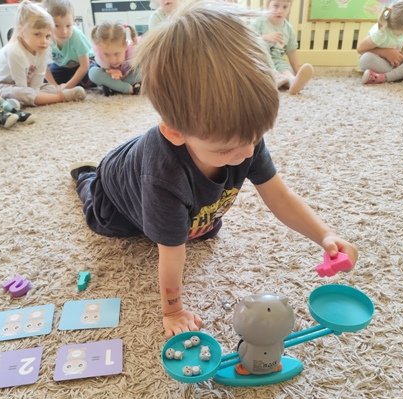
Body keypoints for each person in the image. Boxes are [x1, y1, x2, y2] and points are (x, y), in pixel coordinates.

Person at [69, 1, 359, 338]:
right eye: (226, 149)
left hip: (173, 189)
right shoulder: (163, 176)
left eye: (254, 139)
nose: (248, 153)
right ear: (175, 132)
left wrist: (324, 234)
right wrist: (173, 311)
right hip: (116, 195)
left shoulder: (242, 137)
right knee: (110, 222)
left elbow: (280, 197)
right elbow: (171, 253)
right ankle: (87, 178)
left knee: (200, 229)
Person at [0, 0, 86, 107]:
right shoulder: (15, 51)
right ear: (21, 32)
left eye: (48, 36)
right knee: (24, 93)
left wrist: (37, 91)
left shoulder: (42, 48)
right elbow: (21, 85)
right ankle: (62, 97)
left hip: (25, 85)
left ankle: (15, 102)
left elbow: (38, 79)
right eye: (37, 34)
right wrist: (34, 93)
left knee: (52, 88)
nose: (44, 41)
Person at [358, 0, 403, 84]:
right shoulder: (380, 33)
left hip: (397, 62)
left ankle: (387, 76)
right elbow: (360, 49)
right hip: (381, 62)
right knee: (366, 59)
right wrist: (386, 53)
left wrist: (400, 58)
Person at [250, 0, 313, 94]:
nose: (280, 11)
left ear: (289, 8)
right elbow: (248, 40)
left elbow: (291, 51)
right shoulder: (260, 22)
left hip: (277, 58)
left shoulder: (288, 29)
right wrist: (265, 37)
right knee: (260, 42)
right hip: (262, 61)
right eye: (276, 6)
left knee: (284, 67)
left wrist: (297, 70)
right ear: (268, 5)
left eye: (285, 7)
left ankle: (293, 81)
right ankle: (275, 75)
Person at [43, 0, 93, 90]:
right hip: (62, 66)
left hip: (85, 63)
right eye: (57, 26)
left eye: (68, 26)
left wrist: (67, 86)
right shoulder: (45, 37)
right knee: (44, 79)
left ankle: (74, 82)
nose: (64, 32)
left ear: (73, 21)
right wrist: (54, 86)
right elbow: (42, 65)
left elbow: (84, 66)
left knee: (91, 76)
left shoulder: (77, 35)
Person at [89, 21, 141, 96]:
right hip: (110, 77)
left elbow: (135, 69)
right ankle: (128, 88)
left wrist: (122, 74)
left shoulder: (133, 51)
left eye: (116, 54)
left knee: (144, 71)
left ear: (125, 46)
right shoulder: (100, 53)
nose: (112, 60)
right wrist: (111, 71)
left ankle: (114, 87)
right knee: (93, 73)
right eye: (106, 54)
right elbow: (104, 70)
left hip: (128, 75)